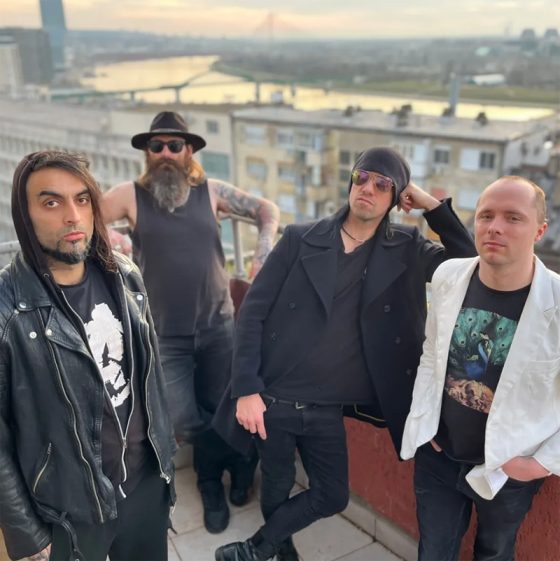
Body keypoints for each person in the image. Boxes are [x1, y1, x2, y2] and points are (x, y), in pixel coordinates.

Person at [214, 147, 476, 561]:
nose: (368, 188)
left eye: (383, 184)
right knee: (277, 484)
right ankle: (280, 549)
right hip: (275, 397)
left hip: (327, 406)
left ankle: (256, 547)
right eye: (361, 177)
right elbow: (253, 313)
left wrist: (429, 205)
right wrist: (247, 389)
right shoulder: (301, 238)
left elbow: (466, 263)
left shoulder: (406, 246)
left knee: (332, 494)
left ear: (396, 197)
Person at [101, 111, 280, 534]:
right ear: (147, 153)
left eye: (174, 145)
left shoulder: (211, 191)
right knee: (182, 418)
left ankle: (218, 478)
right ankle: (232, 463)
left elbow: (266, 209)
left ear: (189, 152)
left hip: (220, 325)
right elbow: (88, 218)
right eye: (156, 146)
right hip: (166, 335)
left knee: (227, 406)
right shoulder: (130, 195)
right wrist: (116, 239)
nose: (165, 152)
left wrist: (263, 250)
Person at [0, 151, 175, 561]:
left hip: (146, 485)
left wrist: (164, 470)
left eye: (82, 199)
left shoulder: (125, 275)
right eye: (51, 202)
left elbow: (151, 381)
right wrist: (25, 531)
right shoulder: (8, 310)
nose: (73, 216)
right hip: (68, 509)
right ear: (24, 216)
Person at [401, 176, 559, 561]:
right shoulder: (449, 275)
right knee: (432, 552)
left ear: (540, 230)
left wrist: (539, 465)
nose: (495, 227)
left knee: (493, 554)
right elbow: (431, 353)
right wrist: (425, 420)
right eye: (486, 215)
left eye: (513, 218)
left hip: (508, 470)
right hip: (439, 454)